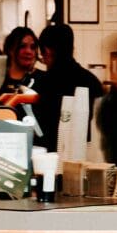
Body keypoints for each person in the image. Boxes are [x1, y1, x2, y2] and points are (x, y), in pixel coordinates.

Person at [32, 21, 104, 154]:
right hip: (88, 154)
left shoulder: (43, 83)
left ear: (47, 50)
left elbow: (38, 130)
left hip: (51, 158)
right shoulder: (92, 81)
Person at [0, 25, 40, 107]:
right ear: (10, 49)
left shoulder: (44, 80)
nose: (28, 51)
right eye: (22, 46)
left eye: (33, 47)